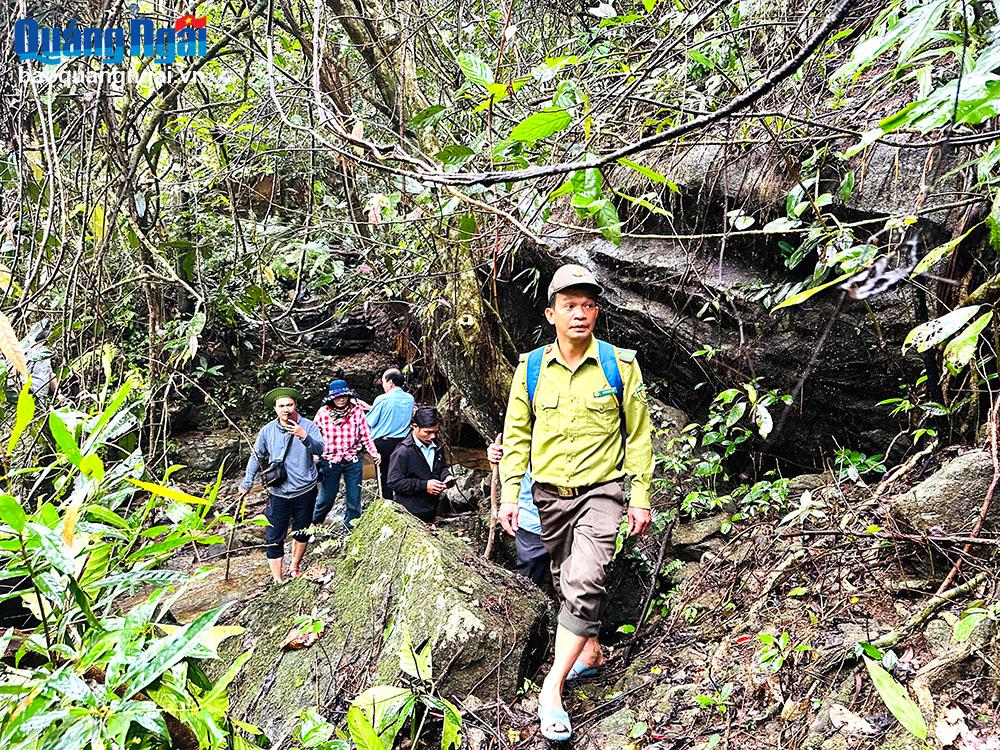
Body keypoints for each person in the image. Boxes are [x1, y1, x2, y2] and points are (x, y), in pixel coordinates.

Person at [498, 264, 654, 742]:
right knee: (568, 579)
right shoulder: (529, 369)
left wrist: (640, 496)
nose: (580, 313)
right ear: (551, 313)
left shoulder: (619, 365)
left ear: (597, 312)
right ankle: (591, 653)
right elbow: (517, 437)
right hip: (547, 495)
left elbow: (640, 436)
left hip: (601, 492)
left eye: (588, 305)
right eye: (570, 305)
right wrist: (509, 496)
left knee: (586, 576)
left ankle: (551, 688)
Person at [239, 388, 325, 583]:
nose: (286, 409)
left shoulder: (308, 426)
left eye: (289, 404)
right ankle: (278, 578)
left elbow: (321, 449)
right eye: (281, 406)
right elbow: (257, 455)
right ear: (275, 409)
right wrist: (247, 481)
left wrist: (303, 436)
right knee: (274, 535)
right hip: (278, 491)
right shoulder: (267, 431)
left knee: (302, 530)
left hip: (305, 490)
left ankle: (294, 566)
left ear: (295, 405)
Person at [312, 379, 379, 532]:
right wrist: (314, 456)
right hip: (330, 460)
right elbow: (314, 436)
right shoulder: (323, 413)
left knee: (354, 497)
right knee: (326, 499)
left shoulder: (357, 411)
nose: (341, 399)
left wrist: (374, 452)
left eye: (344, 396)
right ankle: (313, 525)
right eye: (338, 397)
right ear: (331, 398)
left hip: (352, 459)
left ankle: (351, 529)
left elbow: (365, 435)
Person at [486, 441, 549, 586]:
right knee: (528, 582)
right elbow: (504, 473)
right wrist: (495, 456)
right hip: (530, 520)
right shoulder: (517, 437)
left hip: (566, 518)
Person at [386, 405, 453, 524]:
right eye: (427, 432)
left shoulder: (437, 445)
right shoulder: (403, 451)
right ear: (414, 427)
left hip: (432, 509)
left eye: (436, 432)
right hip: (409, 512)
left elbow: (442, 467)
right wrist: (424, 485)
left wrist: (446, 476)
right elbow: (393, 482)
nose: (432, 436)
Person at [364, 368, 416, 499]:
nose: (383, 386)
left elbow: (369, 422)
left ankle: (387, 503)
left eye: (383, 382)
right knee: (400, 474)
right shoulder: (410, 398)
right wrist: (370, 407)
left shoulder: (382, 399)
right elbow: (394, 412)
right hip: (404, 442)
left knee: (384, 475)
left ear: (390, 382)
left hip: (383, 443)